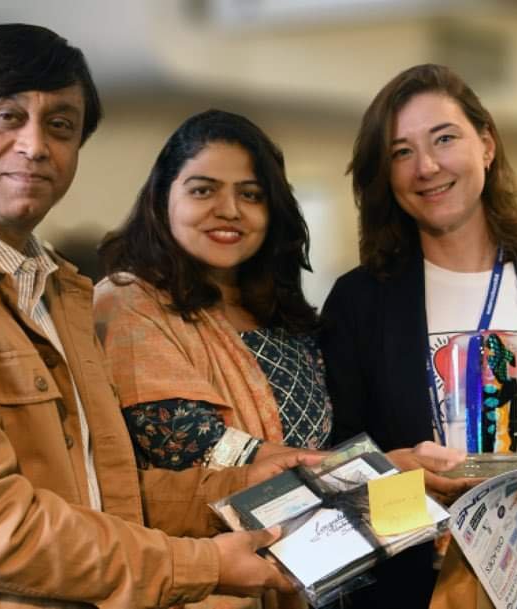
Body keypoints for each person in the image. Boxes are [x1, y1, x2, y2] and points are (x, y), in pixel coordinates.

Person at [0, 24, 313, 609]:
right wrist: (201, 565)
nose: (35, 145)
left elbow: (103, 495)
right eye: (7, 116)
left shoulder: (56, 289)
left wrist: (244, 485)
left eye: (60, 125)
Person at [320, 63, 517, 608]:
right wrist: (398, 473)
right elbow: (329, 461)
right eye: (401, 152)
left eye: (444, 138)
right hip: (420, 588)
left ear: (486, 145)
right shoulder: (360, 302)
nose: (427, 166)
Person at [94, 109, 332, 609]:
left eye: (251, 195)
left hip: (314, 578)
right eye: (203, 190)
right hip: (202, 583)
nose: (229, 210)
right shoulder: (130, 304)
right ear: (163, 198)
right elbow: (189, 447)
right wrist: (355, 474)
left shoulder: (286, 318)